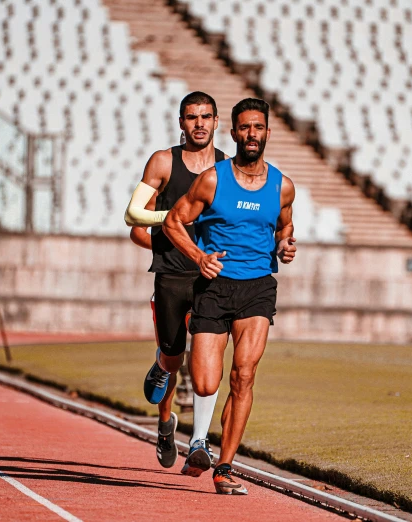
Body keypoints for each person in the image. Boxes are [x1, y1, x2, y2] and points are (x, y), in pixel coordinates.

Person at [164, 98, 297, 495]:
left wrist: (286, 247)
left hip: (258, 287)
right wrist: (199, 256)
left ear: (267, 133)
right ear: (233, 132)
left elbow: (284, 231)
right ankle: (199, 440)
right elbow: (174, 221)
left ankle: (224, 466)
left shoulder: (283, 186)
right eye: (244, 128)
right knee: (206, 383)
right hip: (215, 287)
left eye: (258, 127)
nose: (251, 134)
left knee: (244, 375)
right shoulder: (212, 179)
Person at [125, 91, 226, 474]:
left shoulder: (227, 170)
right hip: (169, 275)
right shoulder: (164, 161)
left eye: (206, 117)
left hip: (211, 277)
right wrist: (172, 228)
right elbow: (136, 222)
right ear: (181, 122)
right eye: (191, 117)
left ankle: (199, 440)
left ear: (217, 123)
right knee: (172, 357)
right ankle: (166, 422)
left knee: (207, 357)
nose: (199, 124)